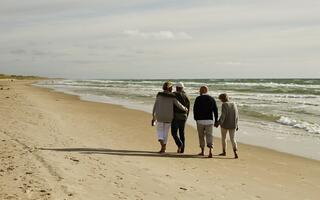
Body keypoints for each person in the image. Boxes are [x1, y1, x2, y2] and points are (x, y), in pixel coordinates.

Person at [152, 81, 188, 153]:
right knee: (165, 133)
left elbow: (155, 106)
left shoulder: (159, 95)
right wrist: (185, 109)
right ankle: (164, 148)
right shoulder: (172, 96)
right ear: (170, 88)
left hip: (160, 116)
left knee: (160, 132)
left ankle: (162, 144)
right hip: (169, 117)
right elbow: (178, 105)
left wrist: (153, 116)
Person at [193, 86, 219, 158]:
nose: (199, 91)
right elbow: (215, 110)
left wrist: (196, 118)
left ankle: (202, 151)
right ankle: (210, 151)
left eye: (200, 90)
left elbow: (195, 109)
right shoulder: (211, 99)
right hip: (209, 120)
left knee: (201, 136)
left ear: (202, 91)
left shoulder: (198, 99)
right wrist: (216, 120)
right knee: (209, 135)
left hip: (200, 120)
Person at [218, 93, 239, 159]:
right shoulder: (234, 104)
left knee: (224, 138)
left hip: (225, 124)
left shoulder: (224, 104)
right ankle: (235, 152)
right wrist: (237, 124)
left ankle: (224, 152)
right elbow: (237, 115)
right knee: (233, 139)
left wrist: (219, 123)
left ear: (222, 99)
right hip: (233, 124)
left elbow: (223, 115)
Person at [171, 82, 190, 153]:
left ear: (176, 88)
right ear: (182, 88)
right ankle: (182, 150)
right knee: (182, 133)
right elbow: (188, 107)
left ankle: (179, 144)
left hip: (176, 116)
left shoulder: (174, 94)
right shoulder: (186, 95)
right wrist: (186, 116)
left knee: (174, 133)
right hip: (184, 116)